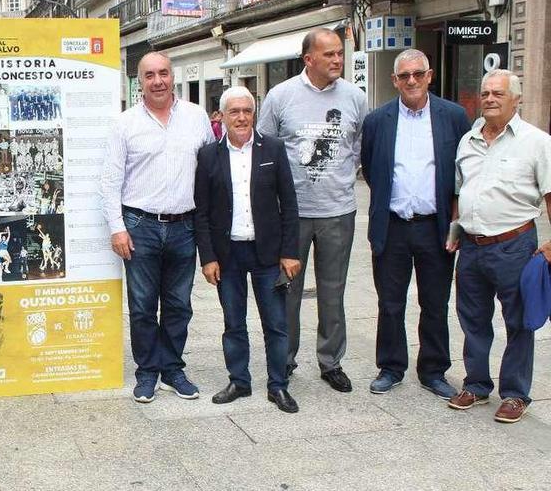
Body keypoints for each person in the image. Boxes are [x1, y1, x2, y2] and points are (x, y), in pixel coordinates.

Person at [256, 28, 367, 392]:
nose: (337, 60)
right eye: (329, 55)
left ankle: (331, 361)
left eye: (339, 54)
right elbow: (263, 150)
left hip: (338, 210)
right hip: (292, 214)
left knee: (333, 292)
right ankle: (284, 359)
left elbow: (361, 147)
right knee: (287, 291)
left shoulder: (355, 97)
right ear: (309, 59)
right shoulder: (281, 96)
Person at [101, 51, 215, 403]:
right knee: (142, 305)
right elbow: (110, 180)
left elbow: (210, 173)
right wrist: (118, 227)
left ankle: (173, 369)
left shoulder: (196, 118)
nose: (158, 81)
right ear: (140, 83)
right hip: (140, 226)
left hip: (185, 226)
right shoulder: (125, 124)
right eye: (149, 75)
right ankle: (147, 371)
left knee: (180, 304)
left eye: (163, 73)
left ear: (173, 75)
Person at [360, 49, 471, 399]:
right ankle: (391, 367)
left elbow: (462, 172)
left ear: (429, 75)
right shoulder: (377, 120)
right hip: (392, 226)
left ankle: (434, 370)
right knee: (390, 303)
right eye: (404, 76)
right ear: (394, 81)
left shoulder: (453, 116)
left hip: (434, 227)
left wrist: (455, 223)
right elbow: (372, 168)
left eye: (417, 74)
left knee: (435, 303)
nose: (411, 81)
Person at [446, 69, 551, 424]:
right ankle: (476, 385)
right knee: (472, 319)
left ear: (516, 99)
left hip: (514, 245)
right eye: (486, 92)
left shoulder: (537, 142)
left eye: (498, 94)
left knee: (518, 321)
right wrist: (454, 230)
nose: (490, 99)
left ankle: (516, 394)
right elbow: (460, 192)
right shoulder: (468, 140)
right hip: (471, 247)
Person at [194, 86, 301, 412]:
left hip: (267, 252)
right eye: (234, 112)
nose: (241, 117)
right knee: (234, 322)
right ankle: (239, 380)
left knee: (276, 323)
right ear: (222, 117)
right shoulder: (209, 155)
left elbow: (290, 204)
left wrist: (290, 251)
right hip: (228, 255)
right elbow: (202, 211)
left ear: (254, 114)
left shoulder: (274, 148)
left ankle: (278, 385)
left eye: (247, 111)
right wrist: (208, 257)